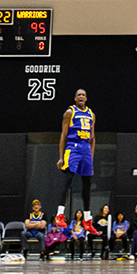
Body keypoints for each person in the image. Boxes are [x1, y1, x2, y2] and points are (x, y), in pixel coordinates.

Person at [57, 89, 96, 217]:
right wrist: (61, 157)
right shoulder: (69, 112)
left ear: (86, 98)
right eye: (78, 95)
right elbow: (63, 135)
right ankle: (60, 213)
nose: (81, 96)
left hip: (85, 148)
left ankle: (87, 216)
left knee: (87, 183)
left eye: (83, 95)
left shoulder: (91, 114)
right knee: (68, 179)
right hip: (73, 146)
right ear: (75, 98)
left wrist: (91, 159)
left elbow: (92, 138)